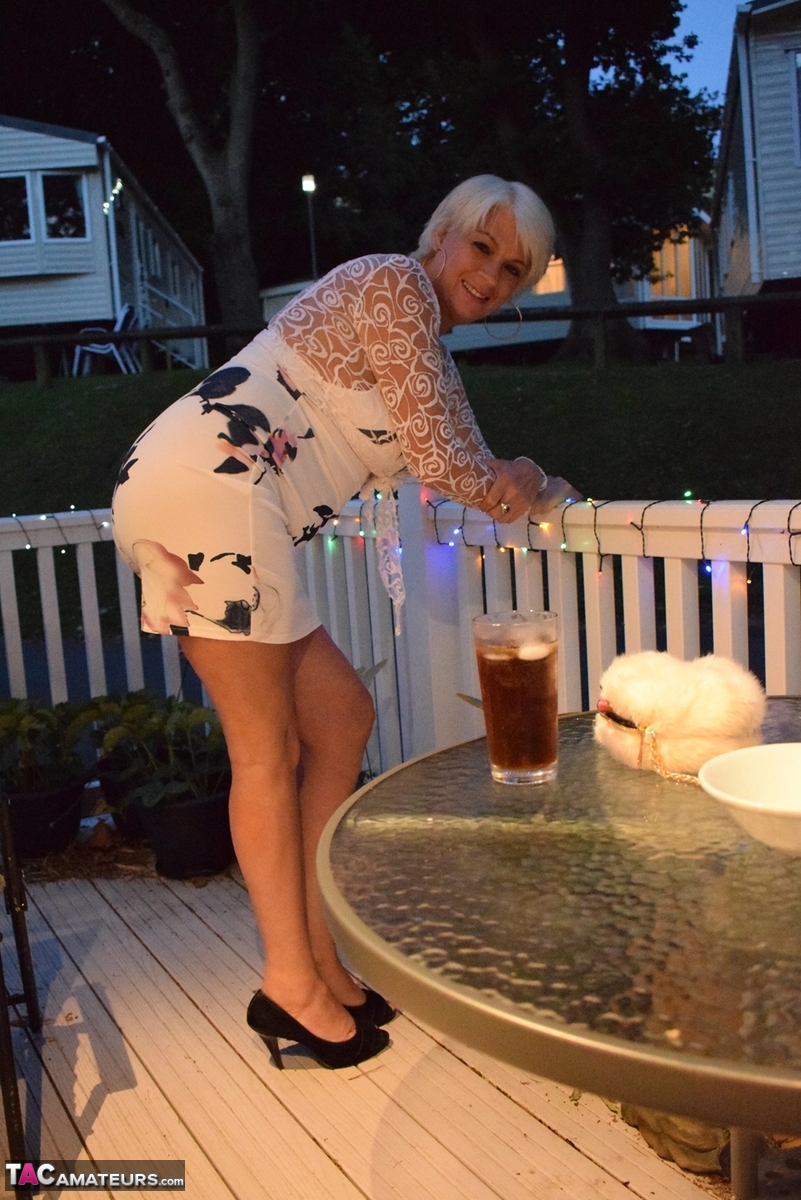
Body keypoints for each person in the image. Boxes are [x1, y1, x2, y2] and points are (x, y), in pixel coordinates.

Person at [112, 174, 580, 1070]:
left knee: (339, 719)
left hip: (227, 501)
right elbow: (453, 466)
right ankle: (288, 985)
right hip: (211, 489)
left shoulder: (425, 346)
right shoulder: (391, 284)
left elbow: (472, 462)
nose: (491, 277)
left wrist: (524, 479)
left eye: (513, 270)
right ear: (440, 233)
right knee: (264, 754)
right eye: (482, 248)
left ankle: (319, 955)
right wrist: (519, 478)